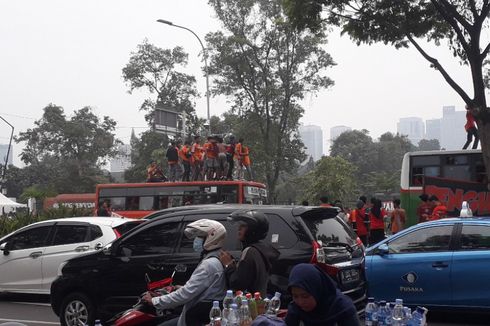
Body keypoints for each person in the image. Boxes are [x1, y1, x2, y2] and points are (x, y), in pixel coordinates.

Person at [143, 219, 227, 326]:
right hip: (202, 313)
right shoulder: (218, 258)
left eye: (200, 237)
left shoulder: (209, 264)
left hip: (198, 316)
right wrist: (179, 287)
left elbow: (185, 294)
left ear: (212, 238)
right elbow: (198, 288)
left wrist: (155, 301)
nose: (196, 240)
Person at [219, 210, 280, 297]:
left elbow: (237, 284)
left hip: (251, 305)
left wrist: (228, 265)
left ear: (252, 229)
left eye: (243, 226)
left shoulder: (250, 251)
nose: (239, 228)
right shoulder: (261, 249)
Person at [285, 263, 360, 326]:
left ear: (317, 290)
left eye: (305, 296)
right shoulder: (296, 308)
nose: (300, 302)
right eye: (295, 296)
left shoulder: (343, 308)